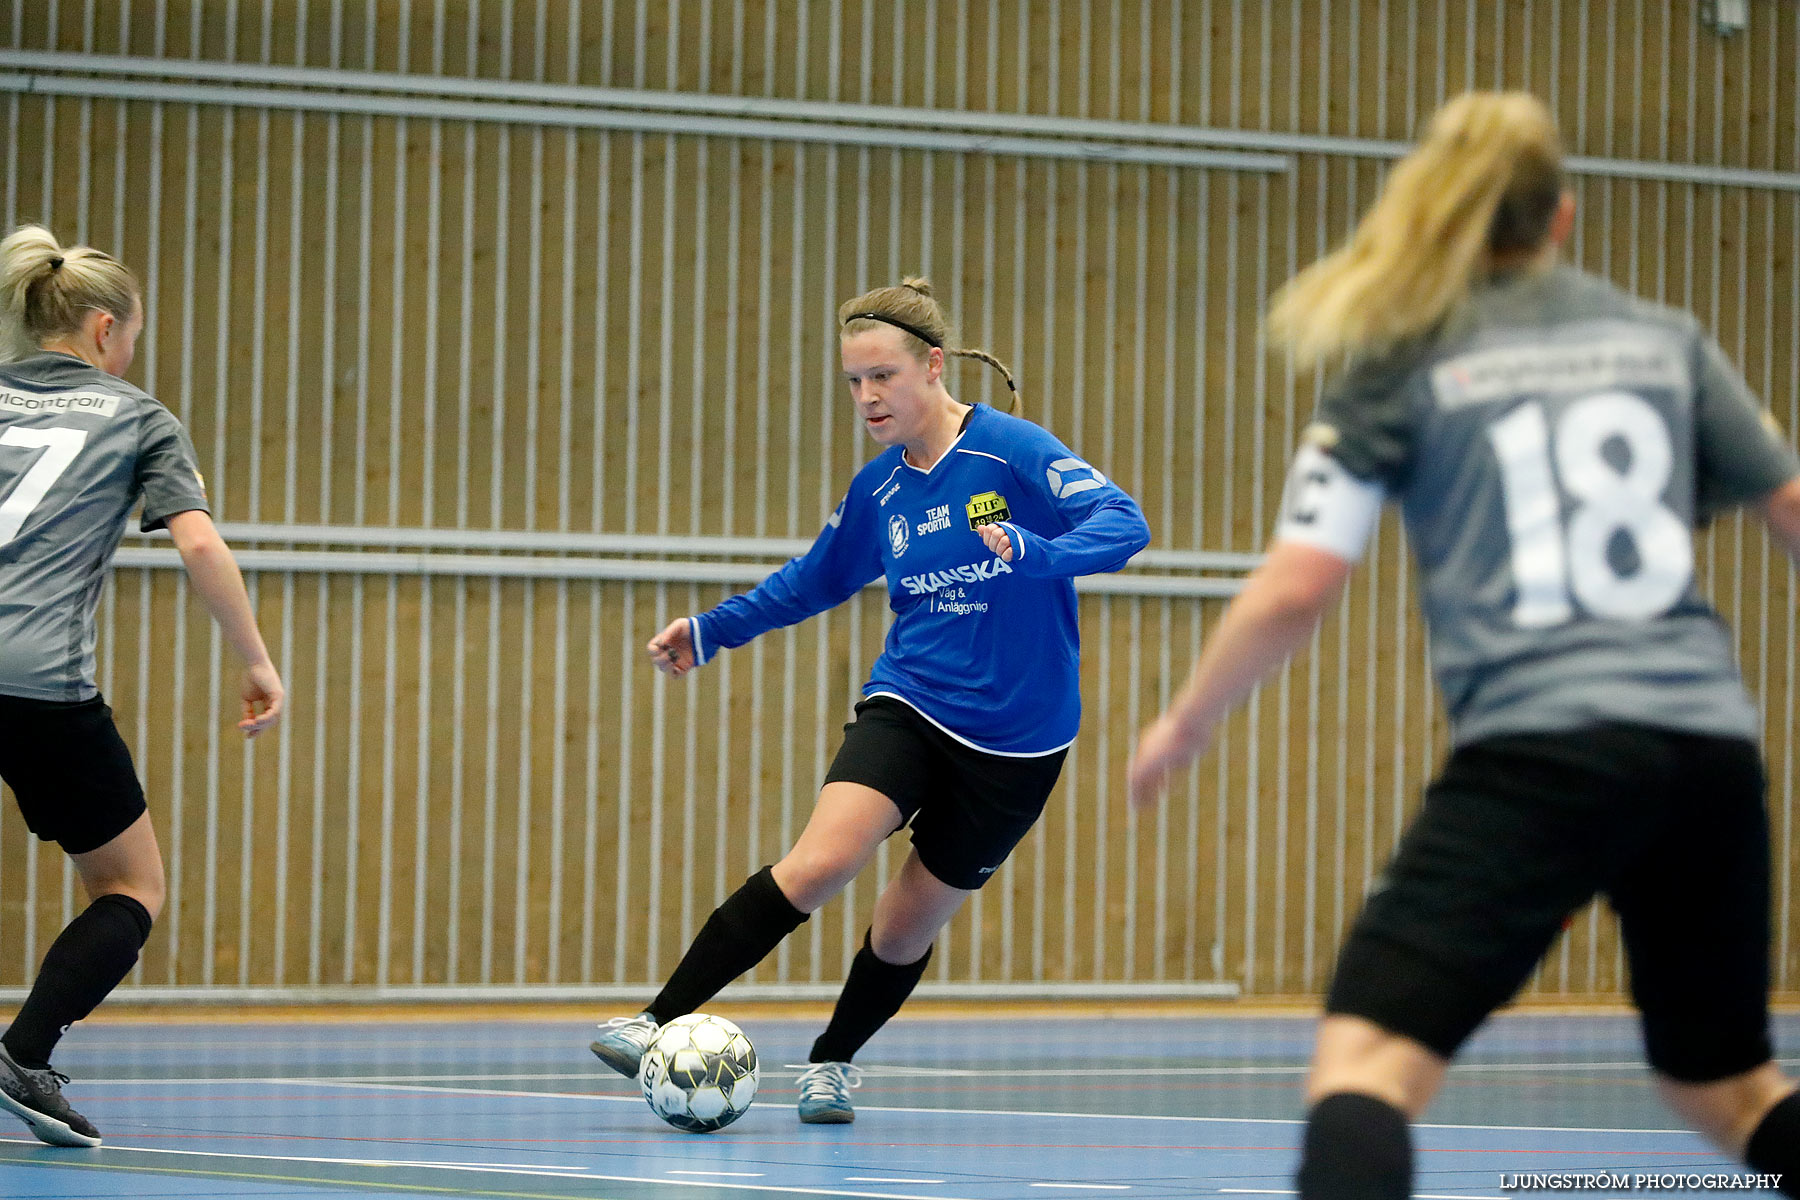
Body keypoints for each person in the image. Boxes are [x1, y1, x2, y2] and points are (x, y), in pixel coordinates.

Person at [1128, 91, 1800, 1200]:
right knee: (1728, 1090)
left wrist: (1185, 721)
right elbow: (1788, 510)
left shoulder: (1402, 359)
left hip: (1543, 747)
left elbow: (1298, 584)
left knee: (1368, 1065)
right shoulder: (1661, 340)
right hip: (1707, 748)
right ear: (1563, 220)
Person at [591, 277, 1150, 1123]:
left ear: (932, 366)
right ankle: (655, 1017)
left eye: (882, 377)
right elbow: (814, 579)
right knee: (819, 864)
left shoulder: (1014, 451)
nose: (867, 398)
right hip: (911, 701)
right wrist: (710, 631)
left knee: (901, 929)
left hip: (1020, 742)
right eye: (854, 382)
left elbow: (1124, 523)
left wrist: (1036, 553)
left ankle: (832, 1061)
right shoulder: (881, 490)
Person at [0, 224, 284, 1147]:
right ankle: (24, 1052)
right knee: (131, 885)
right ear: (103, 328)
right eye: (131, 339)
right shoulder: (133, 413)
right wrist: (256, 659)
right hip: (40, 685)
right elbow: (198, 542)